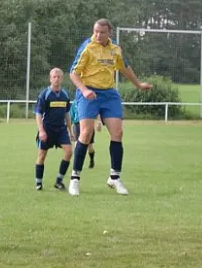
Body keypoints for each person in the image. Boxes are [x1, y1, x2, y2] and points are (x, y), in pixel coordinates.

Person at [68, 18, 152, 196]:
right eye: (96, 31)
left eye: (102, 32)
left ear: (110, 33)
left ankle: (114, 178)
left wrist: (138, 84)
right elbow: (73, 74)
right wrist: (83, 90)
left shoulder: (115, 49)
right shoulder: (87, 48)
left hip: (108, 94)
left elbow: (125, 68)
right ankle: (75, 179)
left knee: (118, 133)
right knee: (85, 133)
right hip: (88, 92)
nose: (98, 35)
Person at [34, 68, 75, 191]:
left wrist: (70, 131)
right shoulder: (44, 94)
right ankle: (38, 182)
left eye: (58, 77)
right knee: (42, 155)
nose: (56, 79)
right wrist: (41, 130)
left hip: (61, 129)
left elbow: (67, 114)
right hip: (47, 129)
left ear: (62, 79)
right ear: (50, 78)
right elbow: (38, 114)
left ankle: (59, 181)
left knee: (69, 151)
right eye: (54, 77)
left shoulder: (65, 94)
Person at [70, 102, 102, 169]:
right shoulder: (74, 103)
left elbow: (97, 113)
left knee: (90, 147)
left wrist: (99, 122)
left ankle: (91, 160)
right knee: (77, 145)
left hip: (88, 124)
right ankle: (76, 165)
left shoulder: (89, 102)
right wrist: (70, 131)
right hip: (77, 124)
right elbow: (71, 116)